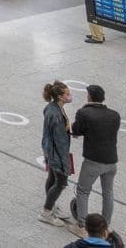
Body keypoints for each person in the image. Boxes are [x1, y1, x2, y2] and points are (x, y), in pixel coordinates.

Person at [70, 84, 121, 228]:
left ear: (89, 97)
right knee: (108, 192)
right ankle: (106, 224)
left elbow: (77, 130)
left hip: (93, 161)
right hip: (111, 161)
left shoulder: (85, 113)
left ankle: (82, 223)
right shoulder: (114, 115)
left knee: (83, 190)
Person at [42, 81, 74, 227]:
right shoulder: (56, 114)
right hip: (57, 153)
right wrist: (65, 162)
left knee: (52, 177)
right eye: (67, 94)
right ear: (60, 97)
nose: (70, 96)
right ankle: (46, 211)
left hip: (49, 149)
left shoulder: (52, 107)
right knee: (61, 182)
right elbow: (60, 141)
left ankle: (51, 205)